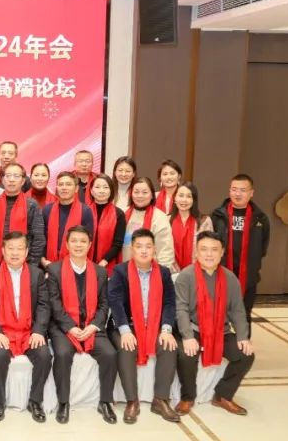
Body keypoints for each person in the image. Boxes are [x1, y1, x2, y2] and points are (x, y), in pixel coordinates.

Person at [174, 232, 256, 416]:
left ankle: (222, 395)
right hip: (194, 328)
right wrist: (187, 336)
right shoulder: (186, 276)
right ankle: (187, 397)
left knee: (245, 355)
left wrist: (243, 336)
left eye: (214, 250)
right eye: (204, 249)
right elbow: (181, 309)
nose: (209, 254)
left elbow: (238, 310)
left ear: (222, 252)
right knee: (186, 355)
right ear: (196, 252)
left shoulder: (230, 278)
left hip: (220, 330)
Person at [107, 229, 181, 425]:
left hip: (154, 325)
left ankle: (160, 400)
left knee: (168, 346)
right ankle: (132, 401)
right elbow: (115, 302)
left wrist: (166, 329)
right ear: (132, 249)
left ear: (154, 249)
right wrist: (125, 331)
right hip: (127, 325)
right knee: (127, 347)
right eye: (139, 246)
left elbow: (169, 303)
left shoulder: (163, 273)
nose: (144, 251)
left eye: (148, 246)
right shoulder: (120, 271)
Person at [0, 231, 52, 423]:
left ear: (26, 252)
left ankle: (35, 401)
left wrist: (38, 331)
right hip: (3, 331)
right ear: (3, 251)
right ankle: (0, 401)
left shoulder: (36, 274)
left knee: (44, 356)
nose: (14, 253)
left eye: (19, 248)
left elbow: (44, 305)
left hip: (29, 331)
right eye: (10, 248)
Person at [47, 226, 110, 424]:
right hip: (63, 327)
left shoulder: (100, 272)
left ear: (90, 245)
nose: (78, 245)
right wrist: (70, 327)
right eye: (74, 241)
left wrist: (93, 326)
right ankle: (63, 402)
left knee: (110, 354)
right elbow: (54, 304)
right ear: (66, 244)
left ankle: (105, 401)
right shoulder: (54, 270)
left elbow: (104, 304)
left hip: (91, 326)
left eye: (83, 241)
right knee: (62, 354)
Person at [210, 174, 270, 327]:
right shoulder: (218, 216)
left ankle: (243, 341)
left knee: (244, 314)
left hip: (248, 276)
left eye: (243, 190)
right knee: (218, 314)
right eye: (234, 189)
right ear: (229, 191)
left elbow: (263, 248)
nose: (238, 194)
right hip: (221, 273)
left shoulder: (260, 218)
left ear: (251, 193)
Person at [0, 164, 45, 265]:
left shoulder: (31, 204)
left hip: (24, 264)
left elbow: (38, 239)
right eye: (8, 176)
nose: (11, 180)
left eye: (16, 176)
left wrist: (32, 265)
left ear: (23, 181)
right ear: (2, 180)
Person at [40, 171, 94, 268]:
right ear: (57, 188)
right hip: (49, 264)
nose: (64, 188)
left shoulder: (85, 211)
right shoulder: (47, 210)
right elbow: (41, 237)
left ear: (76, 188)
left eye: (68, 184)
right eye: (61, 184)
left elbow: (87, 240)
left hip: (75, 265)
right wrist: (43, 260)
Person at [121, 177, 175, 269]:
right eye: (136, 192)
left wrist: (162, 273)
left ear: (152, 195)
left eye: (145, 192)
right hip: (123, 270)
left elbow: (165, 252)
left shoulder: (160, 217)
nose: (140, 196)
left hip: (149, 271)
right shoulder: (122, 213)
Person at [171, 182, 214, 272]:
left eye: (188, 196)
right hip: (171, 272)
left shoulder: (204, 221)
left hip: (197, 272)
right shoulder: (166, 221)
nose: (184, 200)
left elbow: (208, 250)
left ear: (194, 200)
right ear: (175, 198)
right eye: (181, 195)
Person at [87, 174, 126, 270]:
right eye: (97, 187)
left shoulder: (119, 214)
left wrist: (103, 262)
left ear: (111, 190)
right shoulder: (84, 211)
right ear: (91, 191)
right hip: (84, 263)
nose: (101, 191)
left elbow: (118, 244)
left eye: (105, 187)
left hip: (107, 265)